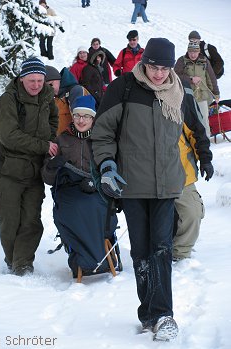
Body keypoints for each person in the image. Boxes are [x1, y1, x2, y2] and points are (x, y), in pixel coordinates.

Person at [91, 37, 187, 341]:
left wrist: (204, 156)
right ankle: (147, 313)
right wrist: (107, 164)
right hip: (132, 183)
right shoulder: (124, 87)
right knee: (142, 250)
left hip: (167, 183)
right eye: (153, 66)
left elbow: (194, 127)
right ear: (143, 61)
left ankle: (163, 315)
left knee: (162, 247)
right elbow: (102, 132)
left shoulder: (178, 91)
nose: (159, 73)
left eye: (165, 67)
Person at [0, 57, 58, 276]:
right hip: (7, 170)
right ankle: (12, 260)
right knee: (9, 219)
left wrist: (51, 141)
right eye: (31, 80)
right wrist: (43, 145)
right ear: (21, 79)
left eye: (40, 80)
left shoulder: (47, 97)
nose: (36, 85)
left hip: (34, 171)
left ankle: (23, 263)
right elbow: (9, 137)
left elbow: (54, 121)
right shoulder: (7, 101)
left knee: (31, 220)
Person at [41, 95, 118, 277]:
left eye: (86, 116)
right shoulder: (62, 140)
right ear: (72, 116)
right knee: (71, 210)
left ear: (93, 118)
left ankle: (96, 259)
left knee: (93, 208)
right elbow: (48, 178)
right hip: (70, 194)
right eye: (77, 116)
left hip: (97, 193)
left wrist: (96, 181)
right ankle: (82, 259)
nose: (81, 120)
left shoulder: (103, 139)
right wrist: (51, 166)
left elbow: (114, 167)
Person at [173, 81, 214, 261]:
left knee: (193, 212)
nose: (159, 73)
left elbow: (196, 130)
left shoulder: (182, 94)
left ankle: (180, 254)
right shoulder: (138, 92)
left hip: (181, 171)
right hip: (150, 174)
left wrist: (205, 158)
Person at [174, 41, 220, 138]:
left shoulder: (204, 61)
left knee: (204, 120)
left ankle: (206, 141)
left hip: (202, 95)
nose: (193, 54)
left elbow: (211, 78)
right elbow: (175, 76)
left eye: (195, 52)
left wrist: (216, 94)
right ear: (187, 51)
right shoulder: (181, 61)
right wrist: (190, 79)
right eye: (190, 52)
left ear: (199, 51)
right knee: (188, 121)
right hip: (186, 96)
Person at [45, 65, 90, 135]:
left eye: (51, 84)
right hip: (59, 143)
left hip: (74, 143)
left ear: (58, 79)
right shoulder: (55, 98)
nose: (49, 90)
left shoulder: (76, 91)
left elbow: (83, 125)